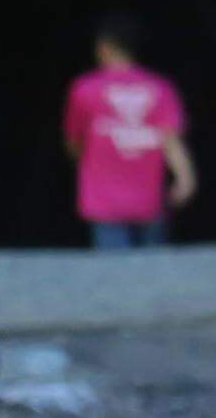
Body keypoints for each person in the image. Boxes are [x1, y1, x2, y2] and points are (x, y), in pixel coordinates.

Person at [60, 16, 195, 248]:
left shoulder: (84, 89)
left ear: (103, 46)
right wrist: (185, 178)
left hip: (104, 203)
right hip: (149, 200)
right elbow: (171, 140)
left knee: (115, 269)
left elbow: (74, 142)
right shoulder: (160, 88)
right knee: (154, 268)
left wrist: (93, 163)